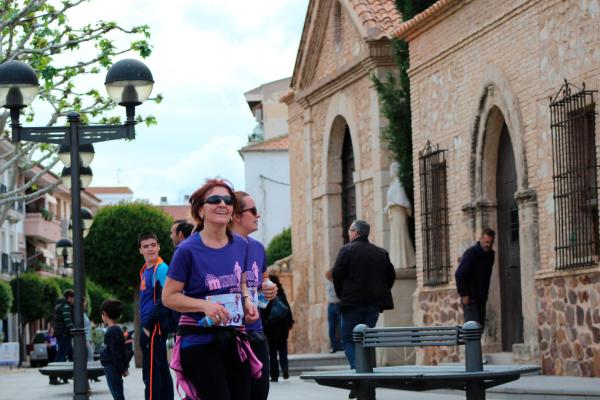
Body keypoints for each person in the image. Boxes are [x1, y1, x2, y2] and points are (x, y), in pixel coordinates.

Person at [162, 178, 260, 400]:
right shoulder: (187, 250)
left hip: (234, 336)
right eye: (215, 199)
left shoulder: (240, 244)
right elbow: (168, 296)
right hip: (198, 341)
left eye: (228, 200)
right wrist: (204, 305)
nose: (223, 204)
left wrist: (246, 301)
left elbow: (241, 279)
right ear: (200, 210)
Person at [231, 191, 278, 400]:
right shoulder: (219, 247)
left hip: (256, 333)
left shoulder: (258, 248)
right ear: (236, 216)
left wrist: (269, 290)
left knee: (260, 394)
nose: (258, 215)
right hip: (229, 335)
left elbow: (262, 283)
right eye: (253, 210)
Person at [332, 220, 396, 371]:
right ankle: (367, 372)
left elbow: (337, 274)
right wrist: (381, 292)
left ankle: (358, 372)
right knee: (367, 338)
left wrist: (342, 295)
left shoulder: (347, 250)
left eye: (350, 230)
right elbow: (391, 276)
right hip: (373, 304)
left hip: (352, 303)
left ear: (356, 232)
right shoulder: (381, 252)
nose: (349, 233)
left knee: (348, 338)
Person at [138, 232, 174, 400]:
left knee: (151, 375)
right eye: (146, 246)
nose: (150, 249)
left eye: (153, 245)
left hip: (154, 328)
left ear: (159, 246)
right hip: (149, 327)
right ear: (140, 250)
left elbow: (165, 300)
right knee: (160, 371)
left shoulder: (161, 269)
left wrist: (148, 325)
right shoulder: (145, 270)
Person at [455, 228, 496, 328]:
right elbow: (459, 274)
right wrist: (464, 294)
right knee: (472, 329)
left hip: (481, 298)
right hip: (470, 299)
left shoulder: (490, 255)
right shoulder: (471, 254)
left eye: (491, 242)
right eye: (486, 242)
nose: (488, 245)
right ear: (481, 239)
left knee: (480, 327)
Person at [261, 274, 293, 382]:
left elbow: (264, 312)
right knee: (283, 349)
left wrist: (263, 324)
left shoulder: (267, 294)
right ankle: (285, 369)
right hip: (282, 327)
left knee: (273, 351)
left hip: (271, 327)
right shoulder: (281, 293)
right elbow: (287, 309)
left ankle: (274, 375)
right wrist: (289, 323)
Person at [100, 299, 129, 400]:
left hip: (112, 368)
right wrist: (125, 367)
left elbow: (116, 353)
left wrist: (121, 369)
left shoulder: (111, 332)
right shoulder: (117, 330)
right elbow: (123, 350)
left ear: (104, 314)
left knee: (117, 394)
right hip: (114, 367)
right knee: (117, 392)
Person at [324, 270, 343, 353]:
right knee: (332, 326)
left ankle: (340, 344)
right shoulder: (328, 283)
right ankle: (334, 345)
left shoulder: (338, 282)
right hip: (331, 304)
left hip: (338, 304)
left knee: (340, 325)